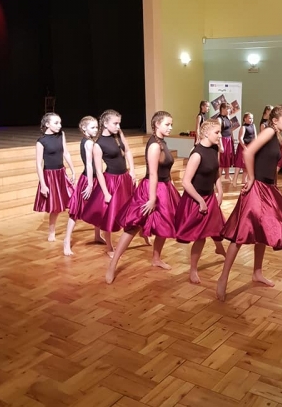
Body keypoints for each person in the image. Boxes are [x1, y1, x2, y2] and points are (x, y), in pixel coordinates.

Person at [216, 105, 282, 301]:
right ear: (275, 120)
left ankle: (257, 272)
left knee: (263, 231)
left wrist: (274, 187)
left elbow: (272, 162)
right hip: (257, 188)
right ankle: (223, 278)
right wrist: (250, 178)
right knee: (241, 235)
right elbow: (248, 152)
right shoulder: (268, 131)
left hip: (268, 188)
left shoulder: (276, 135)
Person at [106, 111, 180, 283]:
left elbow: (164, 170)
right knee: (133, 225)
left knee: (165, 224)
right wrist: (152, 198)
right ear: (157, 124)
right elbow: (153, 173)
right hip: (152, 188)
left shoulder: (162, 142)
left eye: (171, 124)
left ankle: (156, 258)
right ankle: (112, 265)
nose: (170, 127)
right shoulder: (154, 145)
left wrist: (171, 185)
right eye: (167, 124)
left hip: (165, 188)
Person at [175, 119, 226, 283]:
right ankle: (193, 270)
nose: (220, 135)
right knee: (201, 236)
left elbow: (215, 172)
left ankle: (219, 248)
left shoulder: (214, 149)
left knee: (217, 226)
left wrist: (220, 190)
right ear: (206, 133)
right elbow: (186, 182)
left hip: (209, 196)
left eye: (220, 132)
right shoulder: (197, 154)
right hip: (195, 199)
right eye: (217, 132)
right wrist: (200, 201)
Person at [81, 110, 136, 256]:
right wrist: (106, 193)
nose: (118, 126)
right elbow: (99, 171)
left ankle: (138, 233)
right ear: (105, 123)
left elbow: (128, 151)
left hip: (124, 178)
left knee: (129, 208)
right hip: (111, 181)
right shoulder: (98, 144)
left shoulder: (118, 135)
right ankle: (110, 247)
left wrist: (132, 170)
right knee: (109, 214)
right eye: (115, 123)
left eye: (119, 123)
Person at [63, 116, 103, 256]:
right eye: (93, 127)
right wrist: (90, 184)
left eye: (97, 127)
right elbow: (89, 164)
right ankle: (67, 240)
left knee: (99, 208)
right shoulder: (89, 143)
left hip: (94, 178)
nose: (96, 130)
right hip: (88, 179)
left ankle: (97, 235)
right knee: (76, 209)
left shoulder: (89, 141)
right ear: (84, 128)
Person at [34, 112, 75, 241]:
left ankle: (71, 229)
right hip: (50, 176)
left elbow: (66, 153)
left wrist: (73, 170)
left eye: (60, 123)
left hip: (61, 173)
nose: (59, 125)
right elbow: (38, 164)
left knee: (74, 198)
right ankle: (51, 231)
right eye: (56, 123)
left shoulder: (61, 135)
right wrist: (43, 184)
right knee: (55, 206)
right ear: (47, 124)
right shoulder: (41, 141)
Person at [233, 112, 257, 186]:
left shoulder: (253, 126)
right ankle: (234, 180)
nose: (251, 120)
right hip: (243, 147)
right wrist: (245, 147)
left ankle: (244, 180)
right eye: (249, 118)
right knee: (239, 163)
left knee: (247, 164)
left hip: (250, 147)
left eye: (252, 118)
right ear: (245, 119)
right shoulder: (243, 127)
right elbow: (240, 138)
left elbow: (255, 136)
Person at [218, 102, 234, 180]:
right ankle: (218, 177)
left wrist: (232, 138)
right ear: (223, 109)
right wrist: (220, 145)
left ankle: (227, 175)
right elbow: (219, 132)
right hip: (223, 139)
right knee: (222, 159)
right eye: (228, 109)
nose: (229, 111)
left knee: (228, 157)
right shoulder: (219, 119)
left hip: (228, 139)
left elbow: (230, 129)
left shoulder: (227, 117)